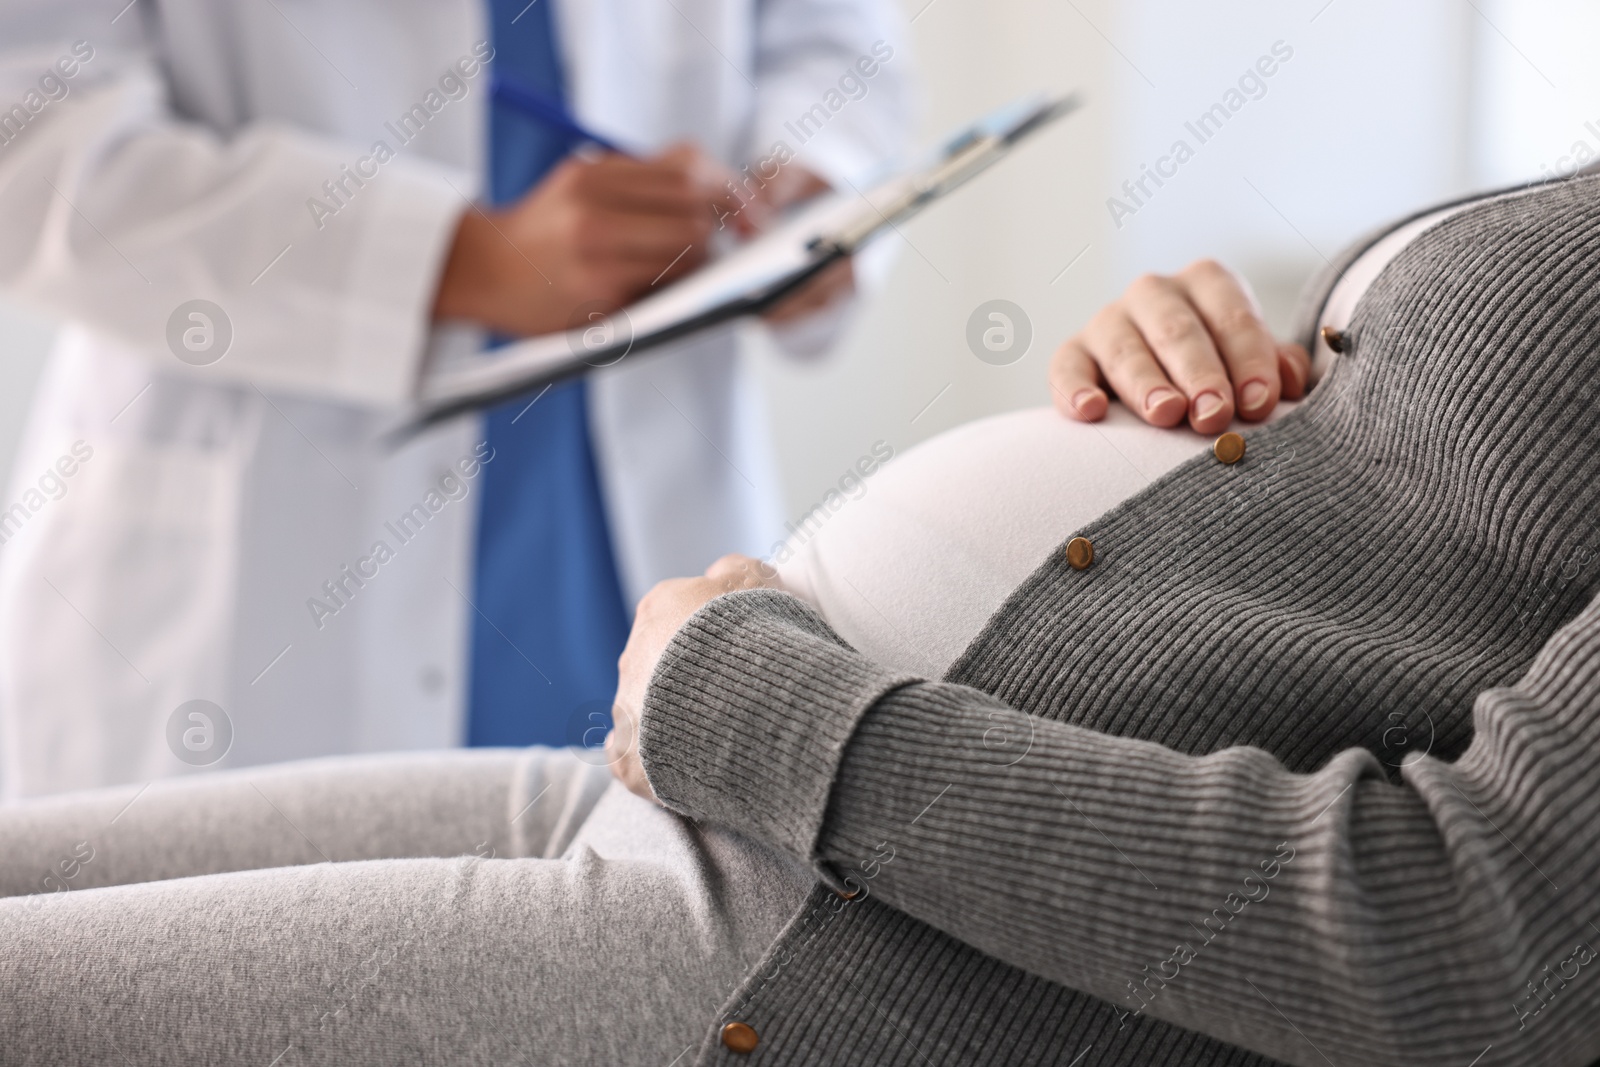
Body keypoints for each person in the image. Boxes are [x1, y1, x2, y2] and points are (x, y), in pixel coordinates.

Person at [4, 171, 1600, 1067]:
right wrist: (1268, 357)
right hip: (709, 791)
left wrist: (757, 709)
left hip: (831, 923)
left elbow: (1471, 932)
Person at [0, 0, 911, 797]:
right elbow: (30, 134)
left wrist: (810, 181)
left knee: (651, 942)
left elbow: (831, 34)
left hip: (624, 517)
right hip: (266, 550)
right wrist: (455, 258)